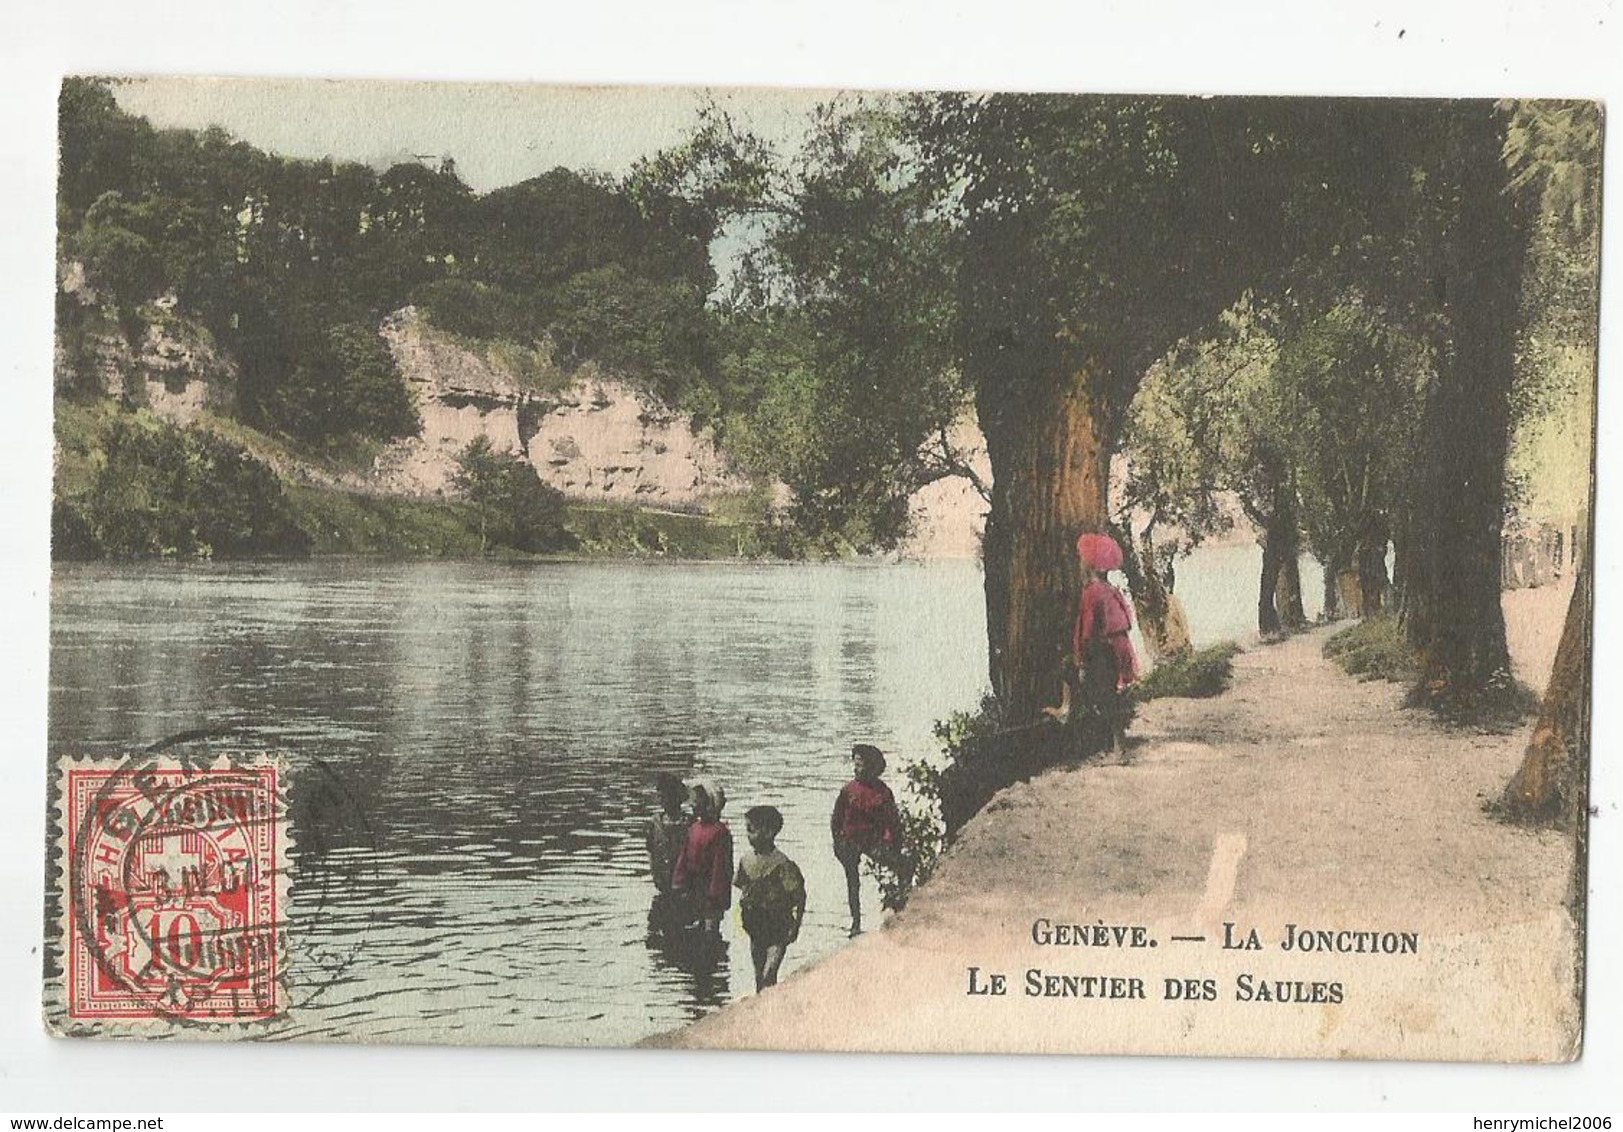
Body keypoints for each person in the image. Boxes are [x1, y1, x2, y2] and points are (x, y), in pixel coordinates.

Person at [831, 743, 912, 937]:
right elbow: (836, 819)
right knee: (853, 881)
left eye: (860, 765)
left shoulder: (883, 792)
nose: (856, 768)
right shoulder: (848, 790)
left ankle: (900, 905)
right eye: (855, 764)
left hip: (872, 841)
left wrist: (891, 842)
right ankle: (856, 922)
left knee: (903, 866)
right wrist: (838, 841)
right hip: (849, 842)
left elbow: (891, 822)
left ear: (873, 767)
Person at [1073, 557, 1140, 760]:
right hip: (1119, 648)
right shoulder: (1113, 590)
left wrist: (1082, 658)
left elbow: (1087, 629)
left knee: (1103, 697)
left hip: (1102, 650)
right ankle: (1117, 745)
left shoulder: (1091, 592)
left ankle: (1118, 749)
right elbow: (1126, 619)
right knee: (1112, 696)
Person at [734, 805, 806, 992]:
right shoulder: (746, 860)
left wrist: (796, 925)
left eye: (752, 830)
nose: (748, 835)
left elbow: (799, 896)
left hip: (778, 926)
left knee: (769, 973)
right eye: (747, 830)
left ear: (769, 832)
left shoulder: (782, 864)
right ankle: (761, 1007)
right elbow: (741, 885)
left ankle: (769, 1007)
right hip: (755, 925)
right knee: (758, 973)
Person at [672, 780, 733, 936]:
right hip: (693, 885)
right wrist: (679, 881)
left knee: (710, 928)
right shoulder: (694, 828)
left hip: (710, 886)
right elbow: (684, 856)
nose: (692, 804)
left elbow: (720, 866)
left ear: (708, 804)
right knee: (693, 925)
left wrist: (715, 895)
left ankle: (711, 952)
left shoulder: (720, 832)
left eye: (696, 801)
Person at [644, 772, 691, 941]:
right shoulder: (655, 822)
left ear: (678, 798)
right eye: (661, 796)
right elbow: (650, 850)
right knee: (656, 933)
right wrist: (655, 873)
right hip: (663, 884)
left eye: (668, 796)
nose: (664, 801)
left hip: (685, 889)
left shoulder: (689, 823)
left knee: (682, 934)